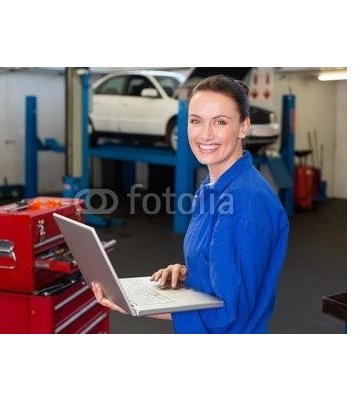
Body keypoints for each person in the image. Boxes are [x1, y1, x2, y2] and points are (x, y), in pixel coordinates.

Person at [91, 74, 290, 333]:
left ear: (243, 127)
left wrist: (132, 303)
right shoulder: (212, 188)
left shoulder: (246, 202)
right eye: (196, 121)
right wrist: (190, 273)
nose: (205, 134)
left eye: (220, 122)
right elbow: (225, 267)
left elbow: (229, 314)